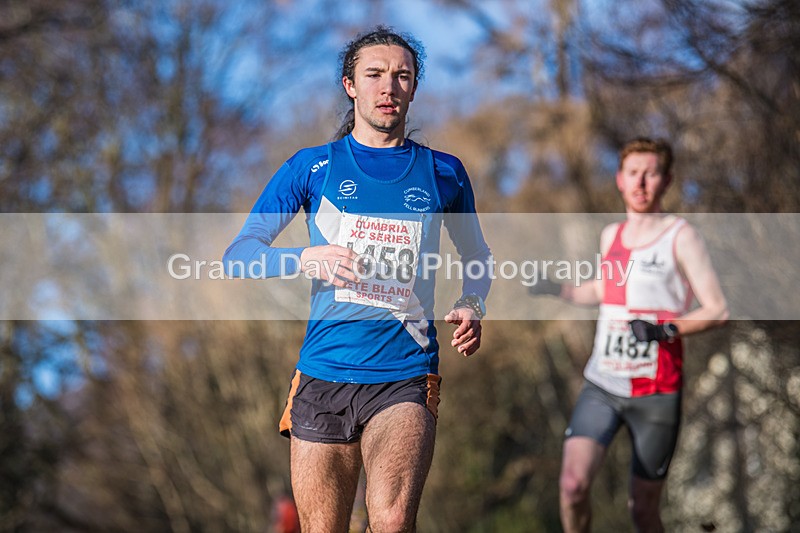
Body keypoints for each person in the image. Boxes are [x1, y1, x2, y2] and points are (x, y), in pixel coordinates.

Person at [223, 26, 492, 532]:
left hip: (405, 373)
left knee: (391, 523)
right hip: (323, 374)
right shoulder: (311, 168)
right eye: (374, 75)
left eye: (401, 76)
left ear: (414, 88)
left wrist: (472, 302)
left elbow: (477, 254)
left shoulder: (444, 174)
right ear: (350, 85)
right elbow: (239, 256)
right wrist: (306, 258)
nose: (387, 86)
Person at [529, 138, 728, 532]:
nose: (640, 183)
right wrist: (557, 288)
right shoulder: (611, 236)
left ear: (666, 180)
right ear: (619, 179)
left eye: (650, 173)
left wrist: (664, 329)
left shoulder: (680, 236)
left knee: (642, 510)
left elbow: (718, 310)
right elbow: (604, 290)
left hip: (656, 391)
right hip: (603, 382)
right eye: (632, 173)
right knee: (572, 485)